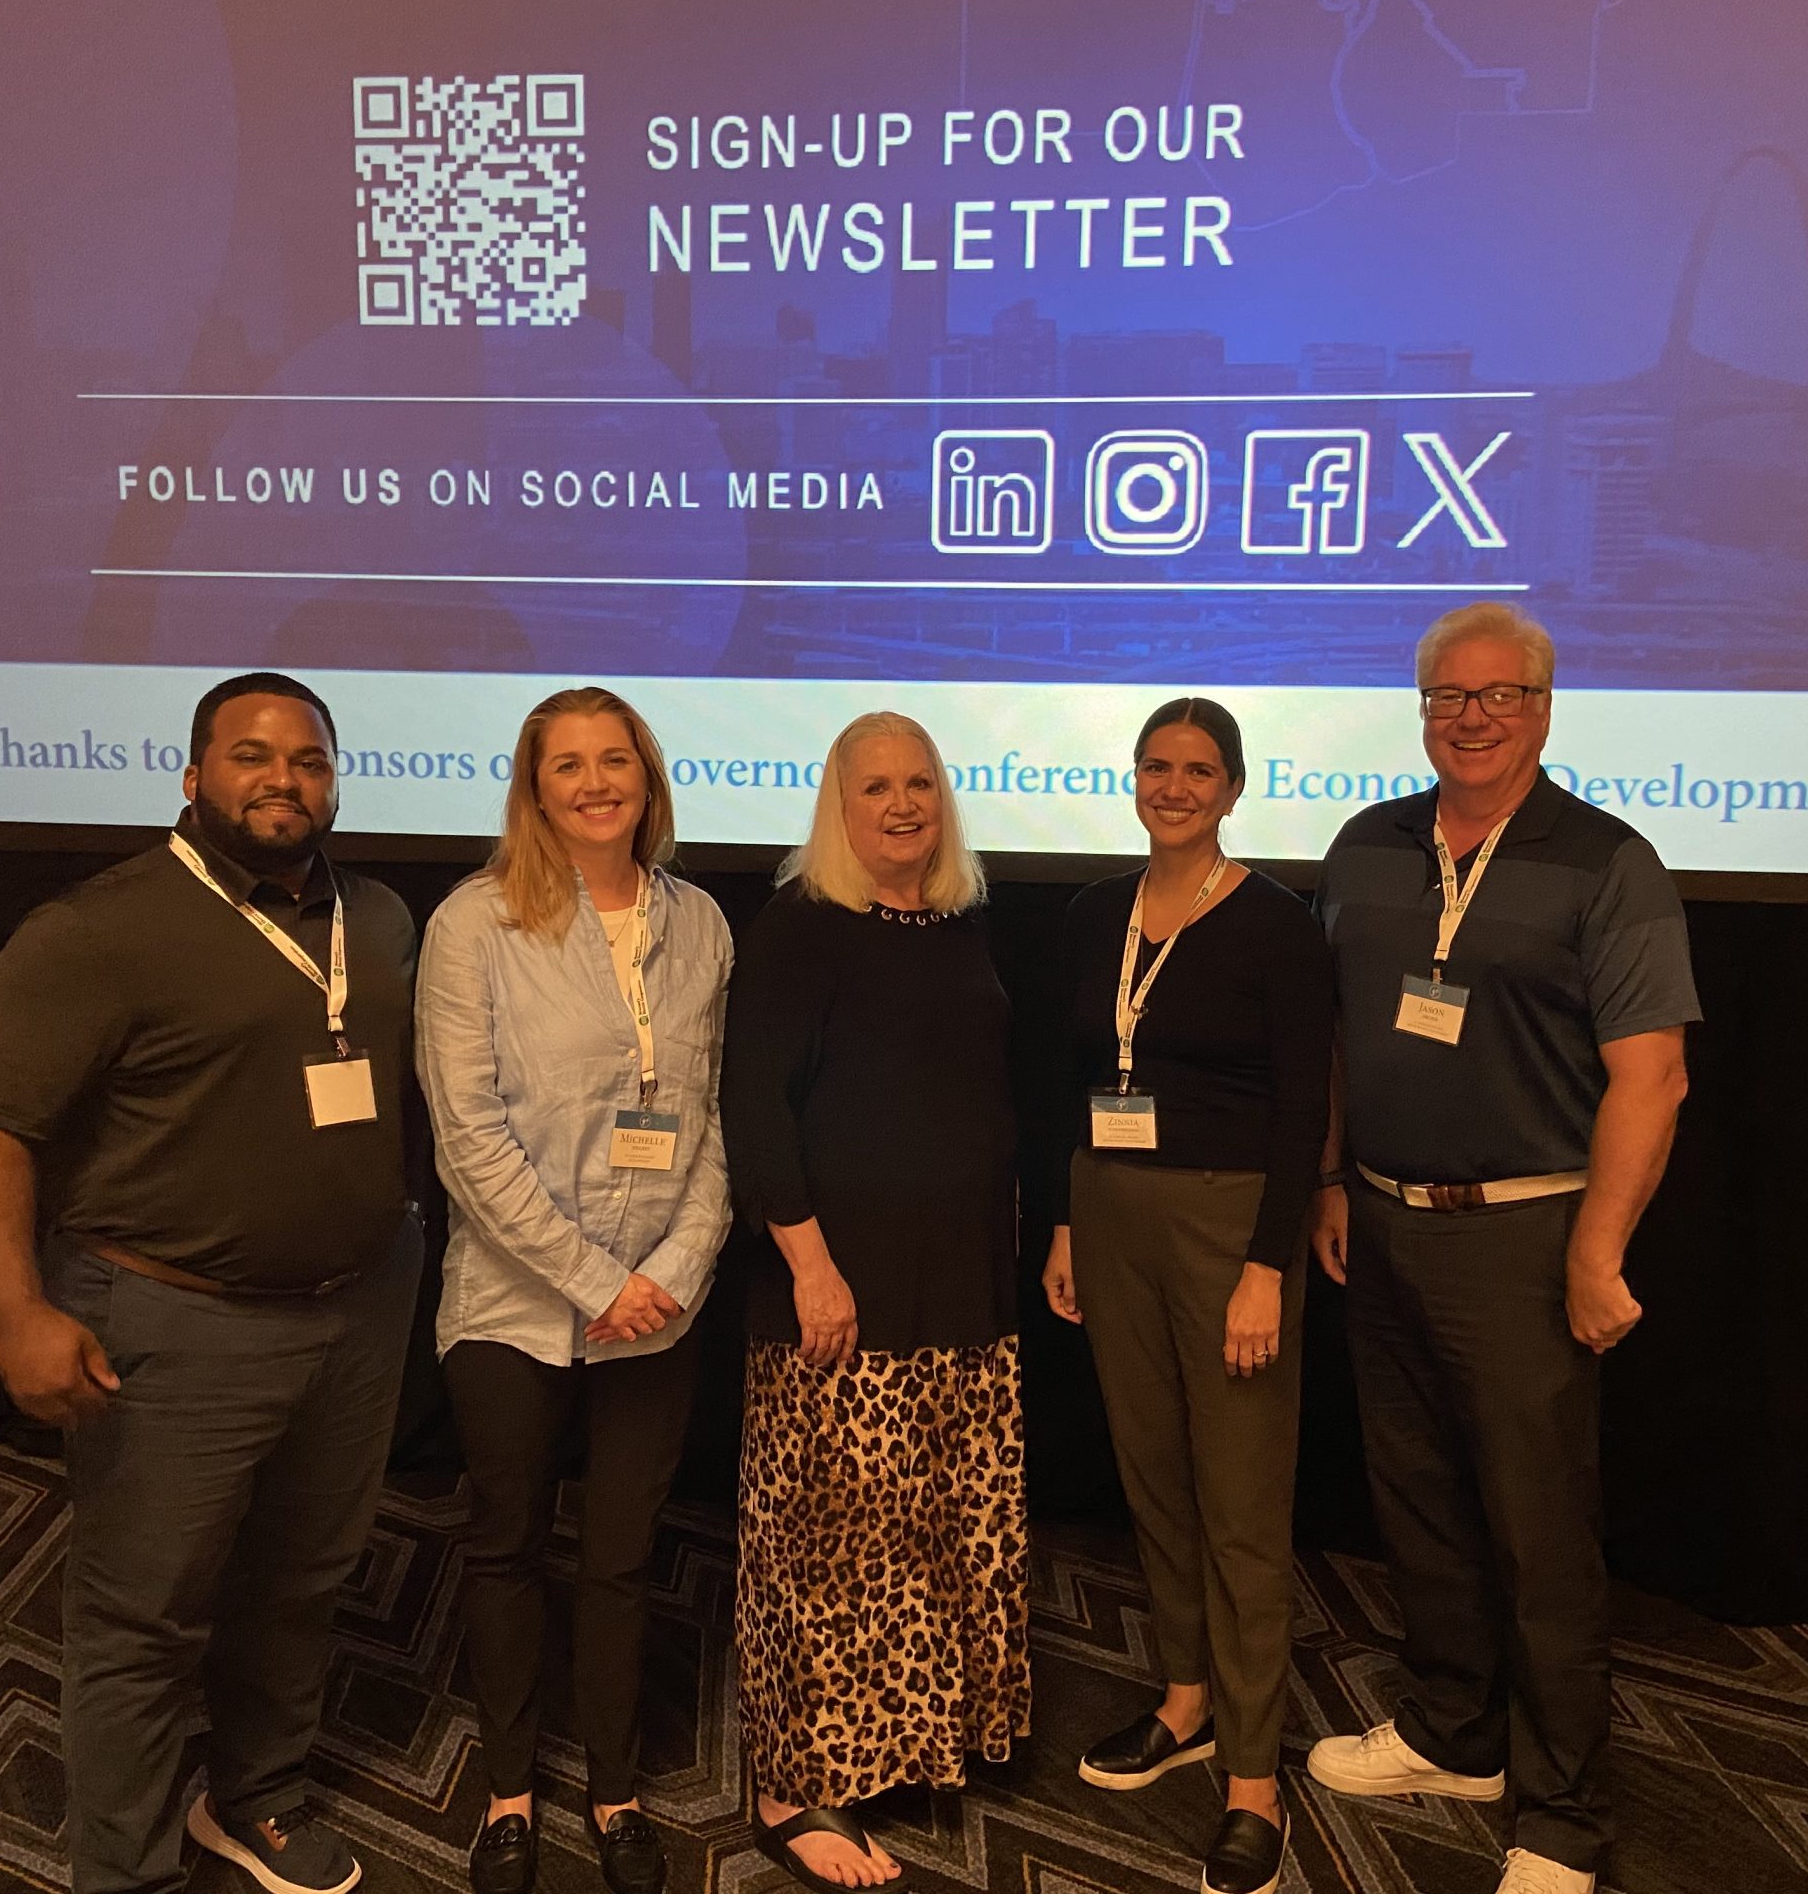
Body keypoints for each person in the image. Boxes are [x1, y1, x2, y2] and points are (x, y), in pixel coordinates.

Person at [0, 672, 420, 1894]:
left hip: (355, 1313)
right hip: (169, 1322)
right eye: (251, 757)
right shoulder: (100, 927)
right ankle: (129, 1870)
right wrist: (15, 1311)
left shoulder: (383, 917)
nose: (282, 780)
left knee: (304, 1579)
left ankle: (252, 1803)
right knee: (142, 1618)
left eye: (307, 760)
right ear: (193, 776)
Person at [1304, 603, 1698, 1894]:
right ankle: (1452, 1736)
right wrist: (1330, 1179)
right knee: (1416, 1506)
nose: (1471, 717)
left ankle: (1562, 1817)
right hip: (1383, 1223)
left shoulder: (1608, 861)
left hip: (1526, 1239)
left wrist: (1597, 1253)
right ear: (1422, 711)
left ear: (1543, 707)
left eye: (1499, 694)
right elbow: (1343, 1039)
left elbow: (1655, 1077)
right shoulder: (1364, 848)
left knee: (1540, 1541)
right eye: (1447, 696)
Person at [417, 689, 732, 1894]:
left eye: (617, 761)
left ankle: (613, 1788)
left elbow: (710, 1120)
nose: (595, 782)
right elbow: (468, 1139)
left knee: (621, 1556)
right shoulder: (475, 926)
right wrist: (597, 1277)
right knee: (504, 1545)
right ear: (534, 788)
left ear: (646, 780)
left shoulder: (700, 924)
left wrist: (670, 1275)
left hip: (660, 1303)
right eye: (569, 766)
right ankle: (507, 1791)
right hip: (510, 1303)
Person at [720, 712, 1031, 1892]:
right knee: (830, 1545)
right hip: (837, 1290)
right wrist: (809, 1264)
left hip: (958, 1284)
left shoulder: (960, 922)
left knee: (930, 1532)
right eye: (875, 787)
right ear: (835, 806)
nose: (902, 805)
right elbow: (756, 1107)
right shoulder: (802, 928)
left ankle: (905, 1740)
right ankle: (791, 1785)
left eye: (919, 784)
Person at [1040, 699, 1332, 1894]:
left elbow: (1304, 1101)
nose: (1172, 786)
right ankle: (1183, 1699)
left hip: (1228, 1227)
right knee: (1154, 1476)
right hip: (1107, 1212)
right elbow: (1070, 1076)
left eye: (1197, 770)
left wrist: (1270, 1263)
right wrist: (1064, 1219)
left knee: (1242, 1502)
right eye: (1155, 766)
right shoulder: (1090, 913)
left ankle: (1254, 1778)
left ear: (1234, 785)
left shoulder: (1275, 927)